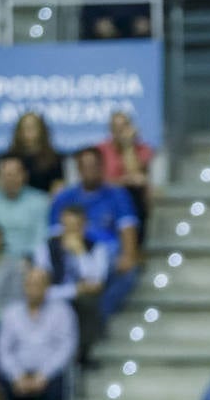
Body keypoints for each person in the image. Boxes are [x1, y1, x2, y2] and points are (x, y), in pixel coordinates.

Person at [49, 147, 142, 321]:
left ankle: (99, 317)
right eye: (85, 166)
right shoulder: (64, 198)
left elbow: (128, 227)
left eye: (94, 165)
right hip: (71, 253)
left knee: (128, 272)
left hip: (108, 255)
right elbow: (55, 237)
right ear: (78, 168)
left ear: (102, 166)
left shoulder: (117, 194)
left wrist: (128, 255)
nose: (90, 170)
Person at [0, 264, 79, 400]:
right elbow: (2, 350)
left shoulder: (62, 312)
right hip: (17, 374)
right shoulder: (11, 313)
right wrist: (17, 375)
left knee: (59, 387)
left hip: (49, 374)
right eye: (30, 283)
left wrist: (44, 375)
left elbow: (66, 347)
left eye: (39, 283)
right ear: (24, 286)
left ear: (47, 287)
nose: (34, 288)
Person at [36, 202, 109, 365]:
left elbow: (96, 283)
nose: (70, 231)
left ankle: (83, 353)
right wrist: (74, 290)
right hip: (54, 296)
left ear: (84, 226)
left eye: (75, 226)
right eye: (67, 226)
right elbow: (41, 286)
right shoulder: (46, 247)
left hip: (81, 301)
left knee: (89, 300)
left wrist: (80, 253)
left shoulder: (96, 248)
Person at [0, 160, 49, 265]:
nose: (11, 179)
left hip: (28, 260)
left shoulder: (40, 201)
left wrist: (28, 258)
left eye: (15, 175)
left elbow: (41, 238)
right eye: (7, 175)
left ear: (25, 176)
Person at [96, 110, 155, 243]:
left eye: (124, 127)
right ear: (110, 130)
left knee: (136, 192)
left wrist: (128, 146)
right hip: (107, 199)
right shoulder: (100, 150)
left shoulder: (143, 149)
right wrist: (124, 181)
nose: (120, 131)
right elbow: (99, 181)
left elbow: (136, 177)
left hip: (134, 200)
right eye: (116, 128)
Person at [6, 113, 65, 197]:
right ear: (18, 131)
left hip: (44, 204)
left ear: (41, 130)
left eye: (32, 127)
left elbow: (58, 186)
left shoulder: (54, 158)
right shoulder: (10, 157)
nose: (28, 131)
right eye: (24, 127)